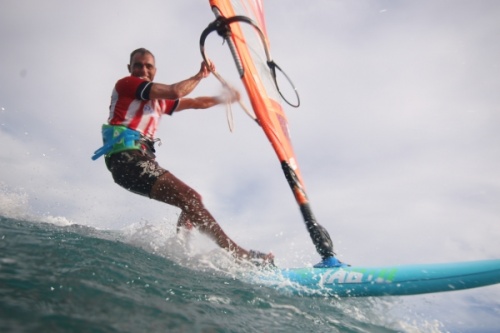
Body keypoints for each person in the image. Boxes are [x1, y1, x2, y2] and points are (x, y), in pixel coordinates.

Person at [93, 48, 273, 265]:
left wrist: (224, 98)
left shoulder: (158, 102)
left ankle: (179, 251)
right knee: (192, 198)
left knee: (190, 204)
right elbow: (175, 91)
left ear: (155, 70)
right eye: (138, 65)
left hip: (140, 161)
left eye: (148, 66)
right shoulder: (127, 84)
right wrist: (200, 75)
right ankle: (241, 255)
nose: (142, 69)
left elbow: (196, 103)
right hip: (126, 160)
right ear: (130, 68)